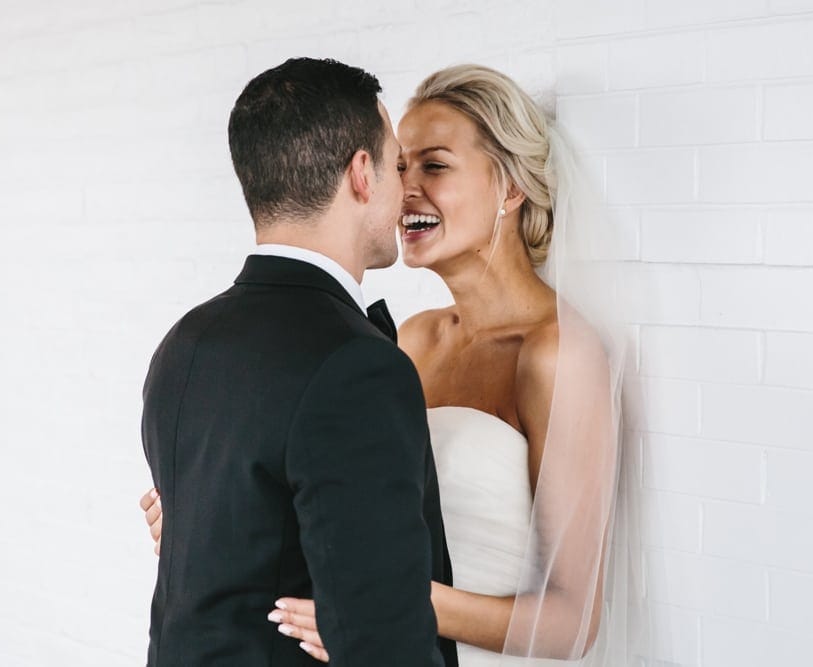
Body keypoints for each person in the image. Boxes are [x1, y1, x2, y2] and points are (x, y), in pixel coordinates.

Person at [143, 64, 642, 666]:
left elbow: (572, 622)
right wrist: (213, 517)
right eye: (400, 165)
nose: (404, 188)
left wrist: (376, 605)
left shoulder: (559, 353)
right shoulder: (409, 339)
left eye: (434, 165)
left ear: (511, 189)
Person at [139, 57, 457, 667]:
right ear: (362, 174)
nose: (403, 187)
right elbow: (386, 637)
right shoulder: (360, 365)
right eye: (395, 165)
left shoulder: (182, 344)